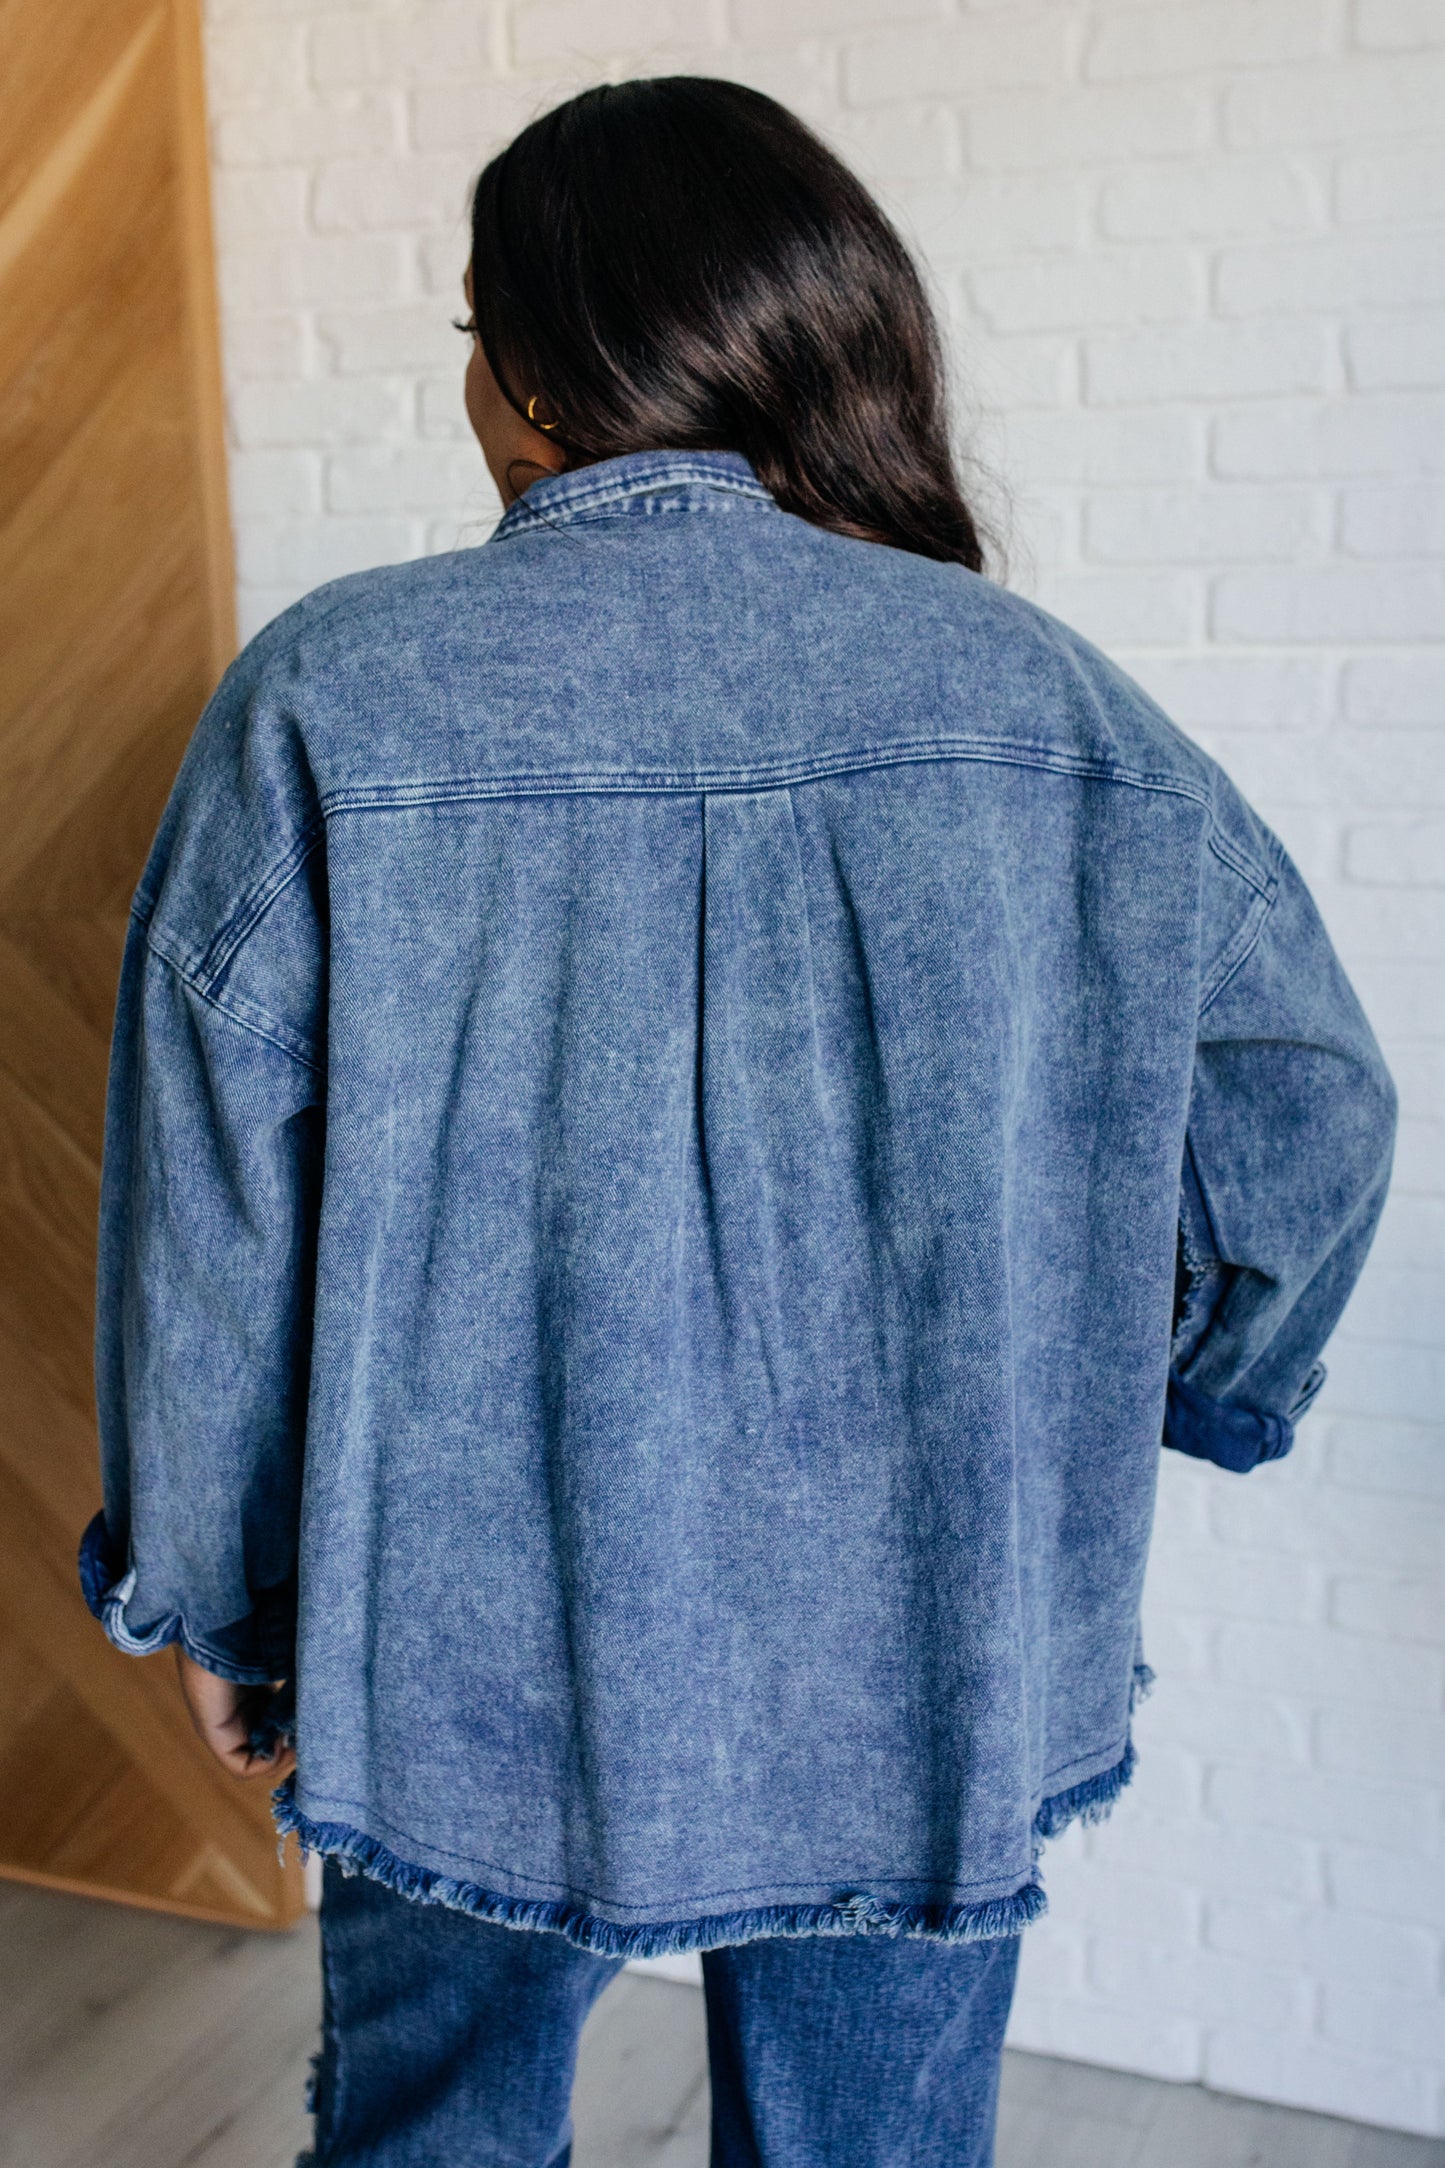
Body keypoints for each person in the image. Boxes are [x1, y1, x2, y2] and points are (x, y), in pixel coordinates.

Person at [80, 76, 1395, 2168]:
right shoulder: (1041, 701)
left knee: (432, 2135)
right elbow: (1310, 1117)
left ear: (531, 372)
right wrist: (1171, 1389)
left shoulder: (335, 698)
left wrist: (219, 1599)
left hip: (450, 1635)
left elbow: (209, 1225)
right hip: (932, 1623)